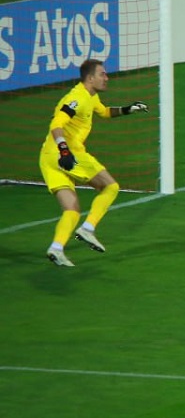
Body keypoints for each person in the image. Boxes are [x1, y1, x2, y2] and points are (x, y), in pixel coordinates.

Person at [41, 59, 150, 267]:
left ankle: (56, 248)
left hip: (47, 157)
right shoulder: (77, 98)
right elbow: (56, 123)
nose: (107, 78)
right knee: (110, 186)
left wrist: (128, 109)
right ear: (90, 78)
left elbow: (105, 112)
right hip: (66, 154)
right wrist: (64, 151)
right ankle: (88, 229)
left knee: (71, 209)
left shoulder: (91, 96)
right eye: (103, 74)